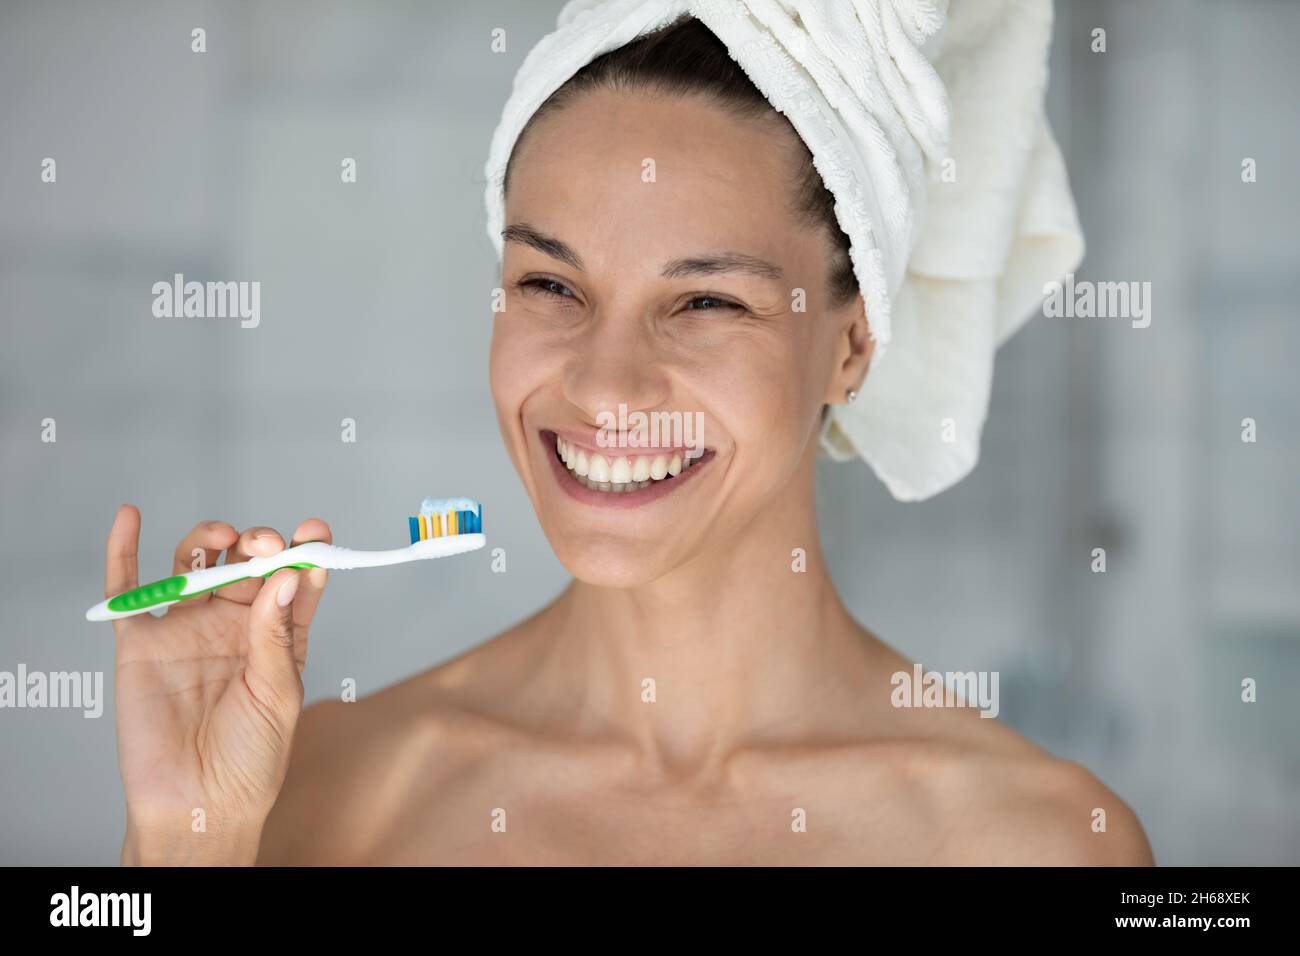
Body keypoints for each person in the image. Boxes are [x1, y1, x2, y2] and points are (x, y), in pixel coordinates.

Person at [109, 12, 1154, 866]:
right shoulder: (315, 792)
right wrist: (181, 841)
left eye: (704, 301)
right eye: (551, 284)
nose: (604, 383)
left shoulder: (1038, 841)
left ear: (852, 345)